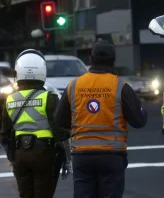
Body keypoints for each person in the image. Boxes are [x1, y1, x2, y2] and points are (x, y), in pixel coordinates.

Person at [54, 40, 147, 198]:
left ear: (90, 59)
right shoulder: (121, 86)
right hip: (112, 155)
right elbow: (139, 121)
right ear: (113, 60)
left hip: (82, 156)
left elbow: (59, 120)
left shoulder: (74, 86)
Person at [0, 49, 70, 198]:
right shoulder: (49, 98)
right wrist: (66, 158)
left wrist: (13, 157)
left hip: (20, 154)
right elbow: (60, 131)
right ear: (42, 71)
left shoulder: (10, 100)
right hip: (44, 153)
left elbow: (4, 135)